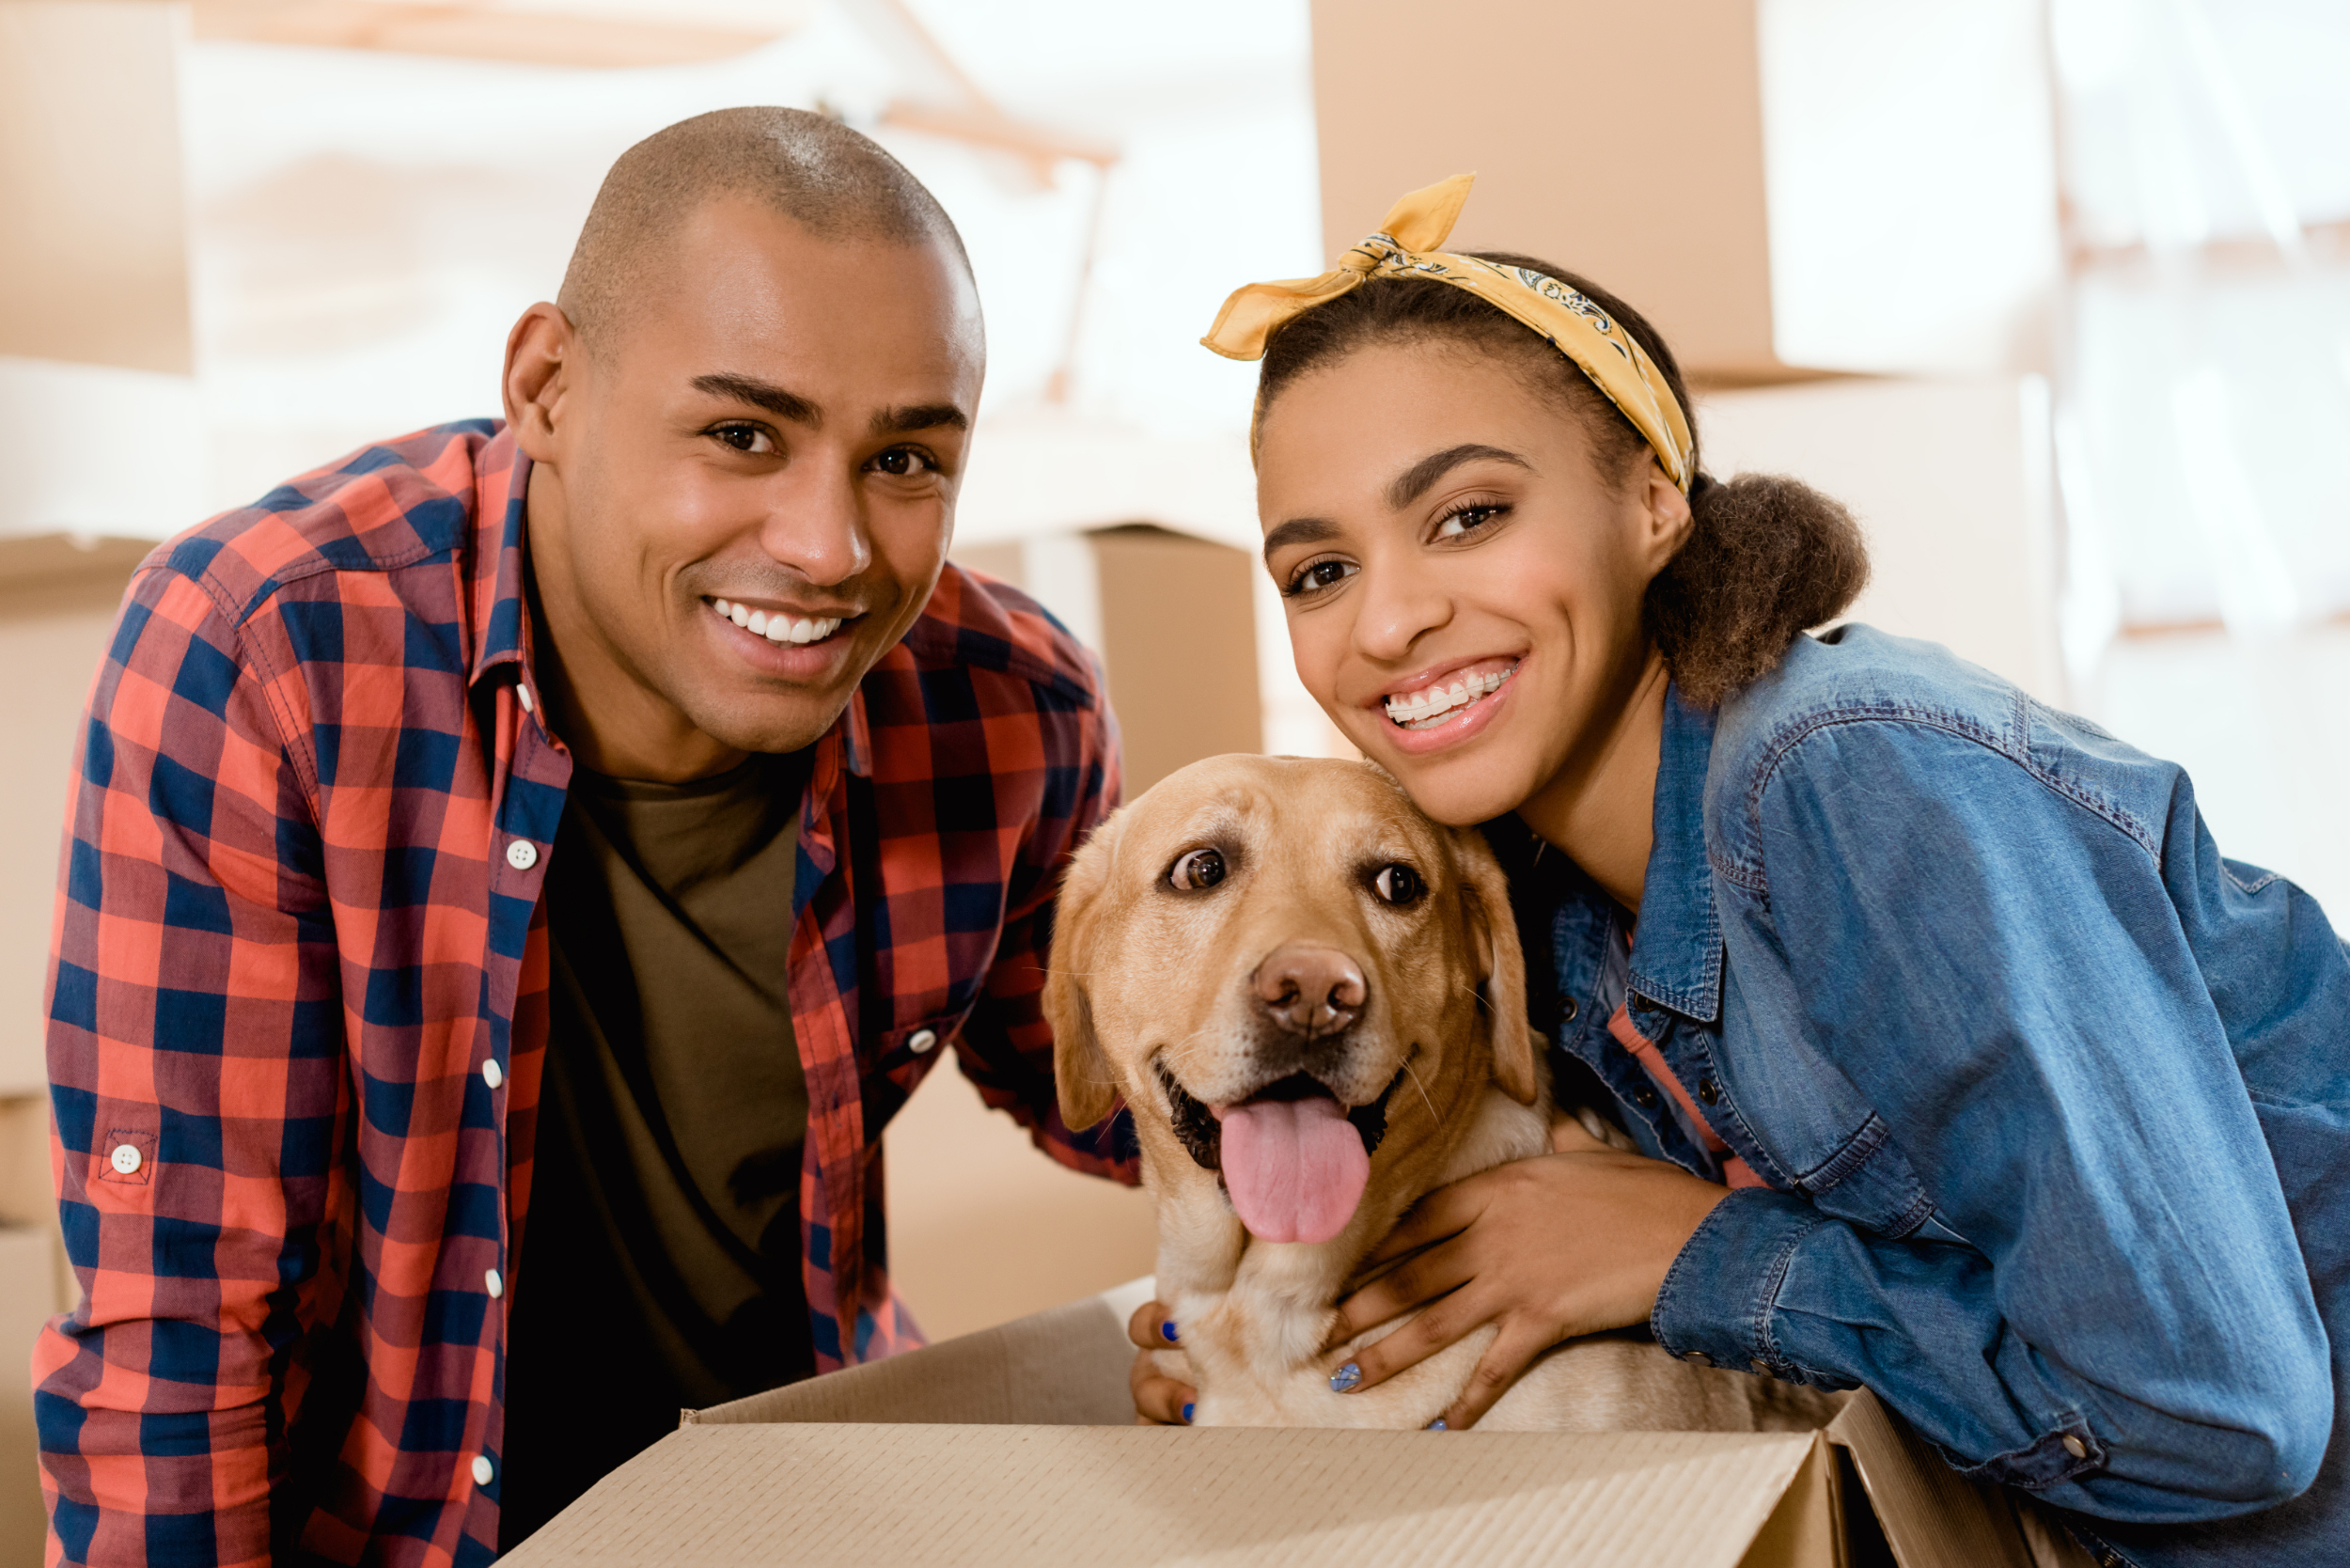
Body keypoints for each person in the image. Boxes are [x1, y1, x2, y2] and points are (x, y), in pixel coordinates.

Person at [1128, 174, 2349, 1567]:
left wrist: (1695, 1250)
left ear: (1652, 502)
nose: (1392, 617)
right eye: (1319, 571)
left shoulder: (1849, 780)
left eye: (1467, 515)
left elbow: (2219, 1417)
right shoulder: (1504, 893)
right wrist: (1258, 1370)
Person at [36, 107, 1132, 1566]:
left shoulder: (1007, 705)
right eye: (743, 434)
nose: (829, 547)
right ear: (548, 384)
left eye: (908, 461)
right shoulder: (268, 650)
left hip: (816, 1511)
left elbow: (1147, 1093)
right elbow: (184, 1320)